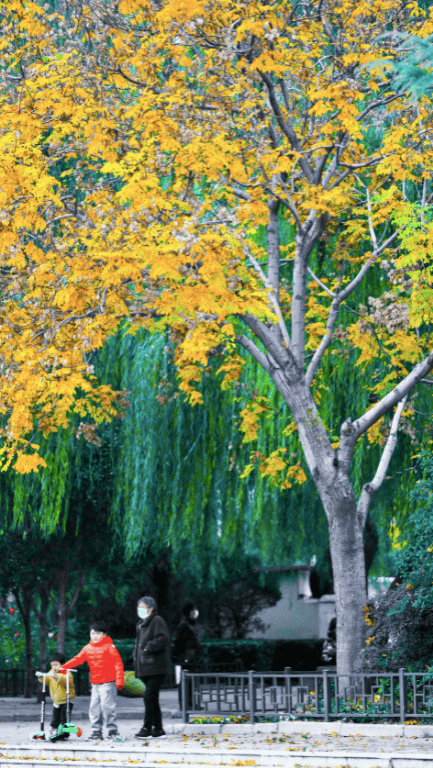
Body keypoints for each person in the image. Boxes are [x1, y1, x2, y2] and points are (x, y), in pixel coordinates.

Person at [60, 620, 124, 742]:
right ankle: (96, 732)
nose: (95, 636)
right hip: (95, 684)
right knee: (94, 708)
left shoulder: (110, 647)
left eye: (98, 634)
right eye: (93, 633)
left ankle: (112, 731)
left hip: (108, 683)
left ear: (104, 635)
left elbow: (118, 664)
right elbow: (77, 659)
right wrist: (64, 667)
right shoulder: (87, 649)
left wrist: (119, 681)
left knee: (107, 707)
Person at [133, 596, 170, 739]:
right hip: (146, 667)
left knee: (149, 696)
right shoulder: (141, 623)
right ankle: (158, 729)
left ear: (151, 608)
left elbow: (163, 638)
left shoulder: (156, 620)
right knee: (152, 698)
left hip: (156, 667)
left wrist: (148, 648)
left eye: (142, 607)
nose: (140, 609)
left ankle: (147, 728)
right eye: (139, 607)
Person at [36, 652, 76, 739]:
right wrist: (41, 676)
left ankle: (65, 733)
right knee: (55, 717)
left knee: (64, 718)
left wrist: (57, 677)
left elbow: (67, 681)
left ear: (62, 664)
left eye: (56, 665)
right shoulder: (51, 672)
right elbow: (47, 680)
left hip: (66, 700)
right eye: (52, 665)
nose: (54, 667)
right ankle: (54, 729)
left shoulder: (66, 672)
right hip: (56, 700)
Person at [173, 601, 200, 711]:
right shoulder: (184, 625)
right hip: (186, 659)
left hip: (190, 657)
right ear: (189, 612)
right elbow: (178, 642)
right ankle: (185, 705)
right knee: (185, 682)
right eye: (193, 610)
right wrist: (183, 656)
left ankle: (191, 703)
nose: (195, 612)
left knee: (190, 682)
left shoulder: (189, 624)